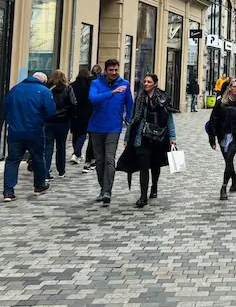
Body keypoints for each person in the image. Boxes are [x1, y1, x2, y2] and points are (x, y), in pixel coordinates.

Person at [117, 73, 176, 208]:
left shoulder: (163, 98)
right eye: (145, 81)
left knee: (155, 164)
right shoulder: (139, 98)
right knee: (144, 165)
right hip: (141, 136)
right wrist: (127, 138)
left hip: (158, 137)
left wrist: (173, 138)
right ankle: (143, 196)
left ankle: (154, 186)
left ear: (155, 84)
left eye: (149, 82)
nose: (146, 84)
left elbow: (169, 119)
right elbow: (132, 119)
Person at [2, 72, 56, 201]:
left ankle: (8, 191)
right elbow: (50, 112)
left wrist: (12, 121)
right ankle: (39, 185)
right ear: (43, 81)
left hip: (15, 131)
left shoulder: (15, 89)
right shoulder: (44, 91)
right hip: (35, 131)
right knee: (38, 158)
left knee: (12, 160)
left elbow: (5, 107)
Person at [88, 59, 134, 206]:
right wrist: (111, 93)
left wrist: (129, 118)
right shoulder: (96, 84)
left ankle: (107, 191)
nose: (114, 73)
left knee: (109, 158)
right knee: (99, 160)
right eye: (111, 70)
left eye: (116, 70)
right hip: (96, 127)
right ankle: (103, 188)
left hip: (114, 127)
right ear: (105, 70)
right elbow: (93, 99)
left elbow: (130, 103)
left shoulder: (125, 84)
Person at [207, 79, 236, 200]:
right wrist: (212, 137)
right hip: (222, 135)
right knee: (228, 161)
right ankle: (235, 179)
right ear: (229, 88)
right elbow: (213, 120)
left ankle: (223, 187)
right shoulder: (221, 102)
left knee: (229, 158)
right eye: (234, 86)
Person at [45, 69, 77, 180]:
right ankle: (61, 170)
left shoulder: (47, 89)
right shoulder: (68, 89)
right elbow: (73, 104)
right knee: (61, 146)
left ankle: (46, 171)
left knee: (48, 146)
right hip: (63, 121)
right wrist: (71, 117)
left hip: (49, 120)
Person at [69, 67, 94, 170]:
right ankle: (77, 152)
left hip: (74, 112)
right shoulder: (90, 87)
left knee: (76, 133)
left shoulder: (72, 86)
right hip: (87, 112)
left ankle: (76, 152)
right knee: (83, 133)